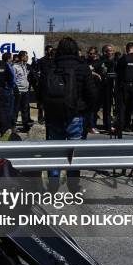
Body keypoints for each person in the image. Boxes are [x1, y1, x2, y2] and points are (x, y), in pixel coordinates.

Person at [40, 37, 96, 191]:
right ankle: (73, 187)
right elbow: (92, 93)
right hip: (76, 115)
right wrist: (86, 110)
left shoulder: (50, 66)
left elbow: (41, 92)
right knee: (74, 153)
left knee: (55, 152)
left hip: (53, 115)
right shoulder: (82, 67)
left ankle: (52, 187)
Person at [12, 50, 32, 133]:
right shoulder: (15, 66)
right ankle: (13, 126)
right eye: (26, 56)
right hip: (18, 91)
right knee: (16, 109)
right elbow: (13, 79)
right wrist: (16, 89)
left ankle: (25, 125)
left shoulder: (25, 66)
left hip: (26, 90)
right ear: (22, 57)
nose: (27, 57)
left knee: (25, 109)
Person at [85, 47, 103, 134]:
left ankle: (92, 125)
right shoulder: (86, 61)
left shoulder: (99, 62)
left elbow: (88, 69)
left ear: (96, 54)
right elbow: (85, 69)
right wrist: (94, 73)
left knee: (95, 108)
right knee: (90, 108)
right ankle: (91, 126)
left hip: (97, 88)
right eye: (89, 53)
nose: (90, 55)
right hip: (88, 87)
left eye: (92, 53)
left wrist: (93, 72)